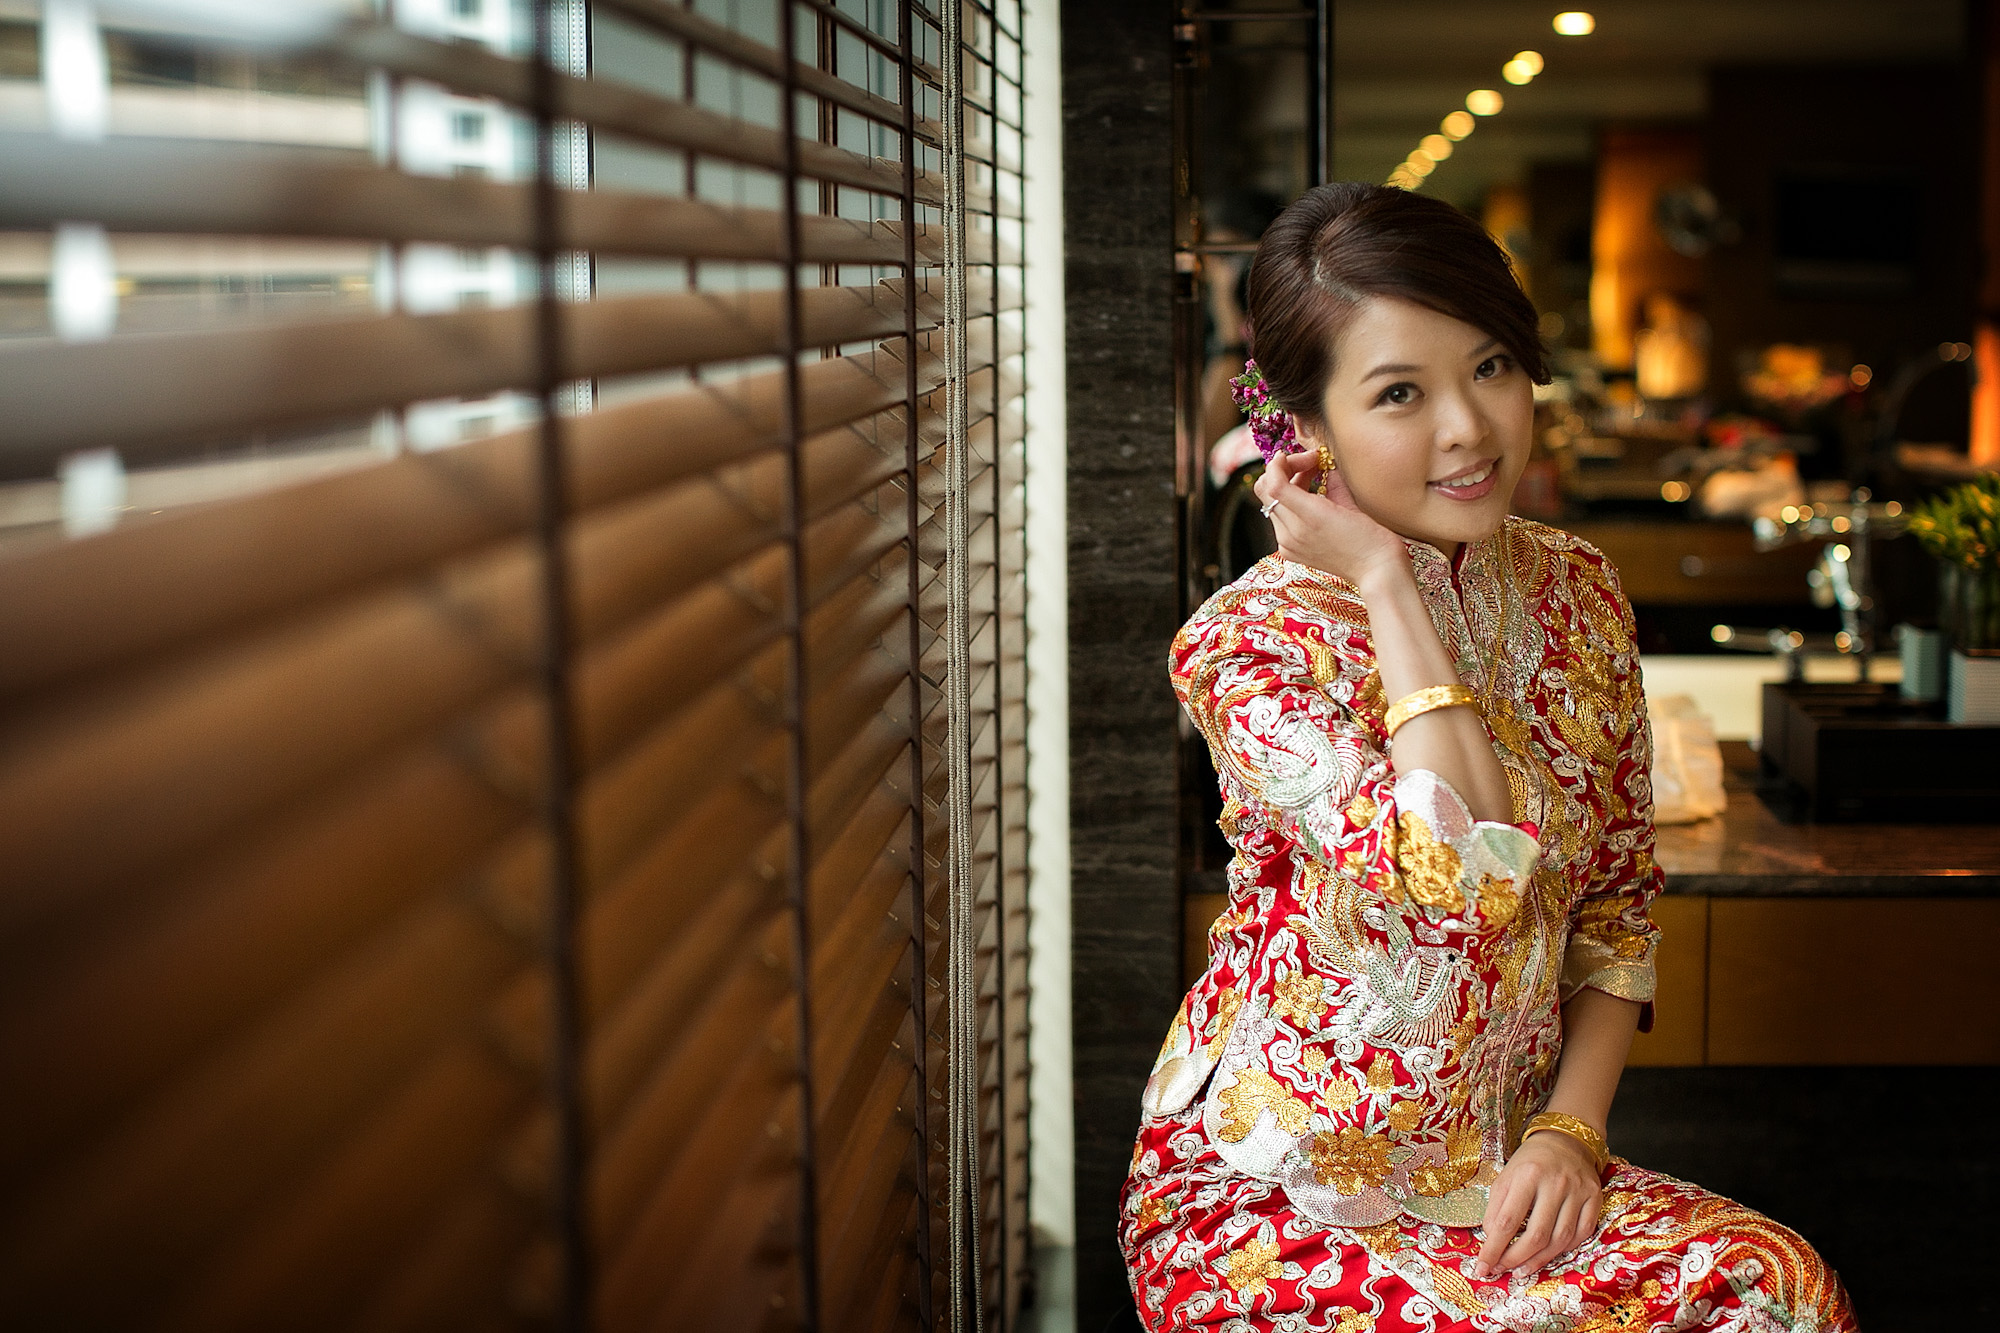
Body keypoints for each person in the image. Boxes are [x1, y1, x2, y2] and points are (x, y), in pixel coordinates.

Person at [1119, 183, 1856, 1333]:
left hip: (1505, 1173)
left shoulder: (1578, 592)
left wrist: (1569, 1132)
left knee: (1778, 1291)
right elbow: (1456, 877)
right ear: (1301, 427)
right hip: (1281, 1193)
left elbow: (1615, 905)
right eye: (1399, 392)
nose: (1467, 426)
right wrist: (1384, 583)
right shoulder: (1246, 646)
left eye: (1490, 366)